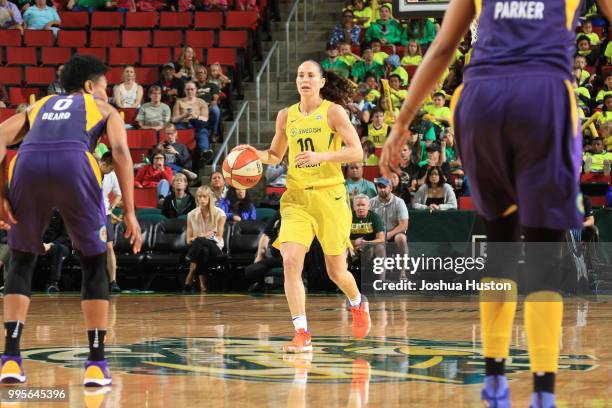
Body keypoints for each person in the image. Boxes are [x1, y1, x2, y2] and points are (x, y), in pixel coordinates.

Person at [379, 1, 612, 406]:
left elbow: (441, 49)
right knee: (545, 251)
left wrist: (402, 124)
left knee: (500, 240)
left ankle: (495, 382)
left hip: (480, 100)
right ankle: (542, 392)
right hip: (543, 96)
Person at [0, 54, 141, 386]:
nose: (109, 95)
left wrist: (1, 195)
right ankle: (95, 364)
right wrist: (131, 213)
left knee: (20, 261)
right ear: (91, 86)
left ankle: (10, 359)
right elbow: (120, 153)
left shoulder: (39, 105)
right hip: (76, 163)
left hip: (27, 164)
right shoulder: (103, 109)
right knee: (93, 262)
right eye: (107, 88)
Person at [233, 61, 371, 353]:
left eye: (310, 75)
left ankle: (358, 303)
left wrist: (320, 156)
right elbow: (274, 155)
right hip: (296, 198)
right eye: (300, 75)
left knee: (336, 272)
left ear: (321, 82)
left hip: (329, 197)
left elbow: (356, 151)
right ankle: (302, 333)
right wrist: (249, 153)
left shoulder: (333, 111)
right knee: (290, 261)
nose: (304, 79)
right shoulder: (286, 116)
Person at [184, 186, 226, 293]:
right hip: (199, 250)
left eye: (204, 197)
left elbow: (219, 237)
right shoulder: (191, 215)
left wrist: (201, 237)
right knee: (203, 249)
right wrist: (203, 236)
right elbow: (188, 240)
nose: (202, 199)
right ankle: (203, 286)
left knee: (200, 241)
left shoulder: (220, 214)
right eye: (199, 197)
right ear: (196, 198)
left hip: (216, 249)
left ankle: (191, 271)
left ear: (209, 198)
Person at [172, 80, 213, 165]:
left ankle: (205, 153)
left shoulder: (201, 102)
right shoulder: (179, 102)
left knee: (203, 132)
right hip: (183, 124)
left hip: (197, 124)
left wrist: (195, 116)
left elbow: (205, 118)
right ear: (184, 90)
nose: (190, 91)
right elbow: (174, 119)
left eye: (192, 89)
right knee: (178, 130)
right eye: (188, 89)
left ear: (195, 90)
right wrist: (184, 115)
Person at [98, 152, 122, 293]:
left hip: (104, 214)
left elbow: (119, 194)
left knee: (109, 247)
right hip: (89, 215)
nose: (112, 171)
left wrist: (111, 207)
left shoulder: (111, 175)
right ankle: (95, 280)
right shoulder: (90, 171)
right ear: (104, 164)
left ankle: (113, 281)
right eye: (111, 168)